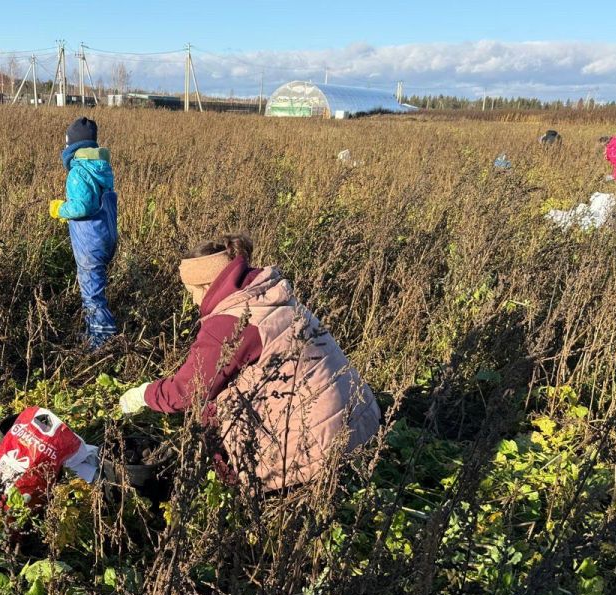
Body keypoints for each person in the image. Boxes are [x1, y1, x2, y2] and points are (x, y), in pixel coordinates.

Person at [118, 235, 381, 491]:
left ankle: (251, 493)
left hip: (320, 444)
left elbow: (188, 390)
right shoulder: (266, 292)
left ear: (205, 285)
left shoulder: (230, 321)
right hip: (360, 419)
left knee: (211, 417)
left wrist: (144, 394)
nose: (195, 303)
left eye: (192, 293)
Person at [50, 117, 118, 348]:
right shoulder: (101, 168)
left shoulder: (78, 172)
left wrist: (60, 209)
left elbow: (81, 207)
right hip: (105, 236)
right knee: (95, 287)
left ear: (71, 146)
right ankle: (96, 333)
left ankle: (101, 341)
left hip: (90, 241)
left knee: (91, 293)